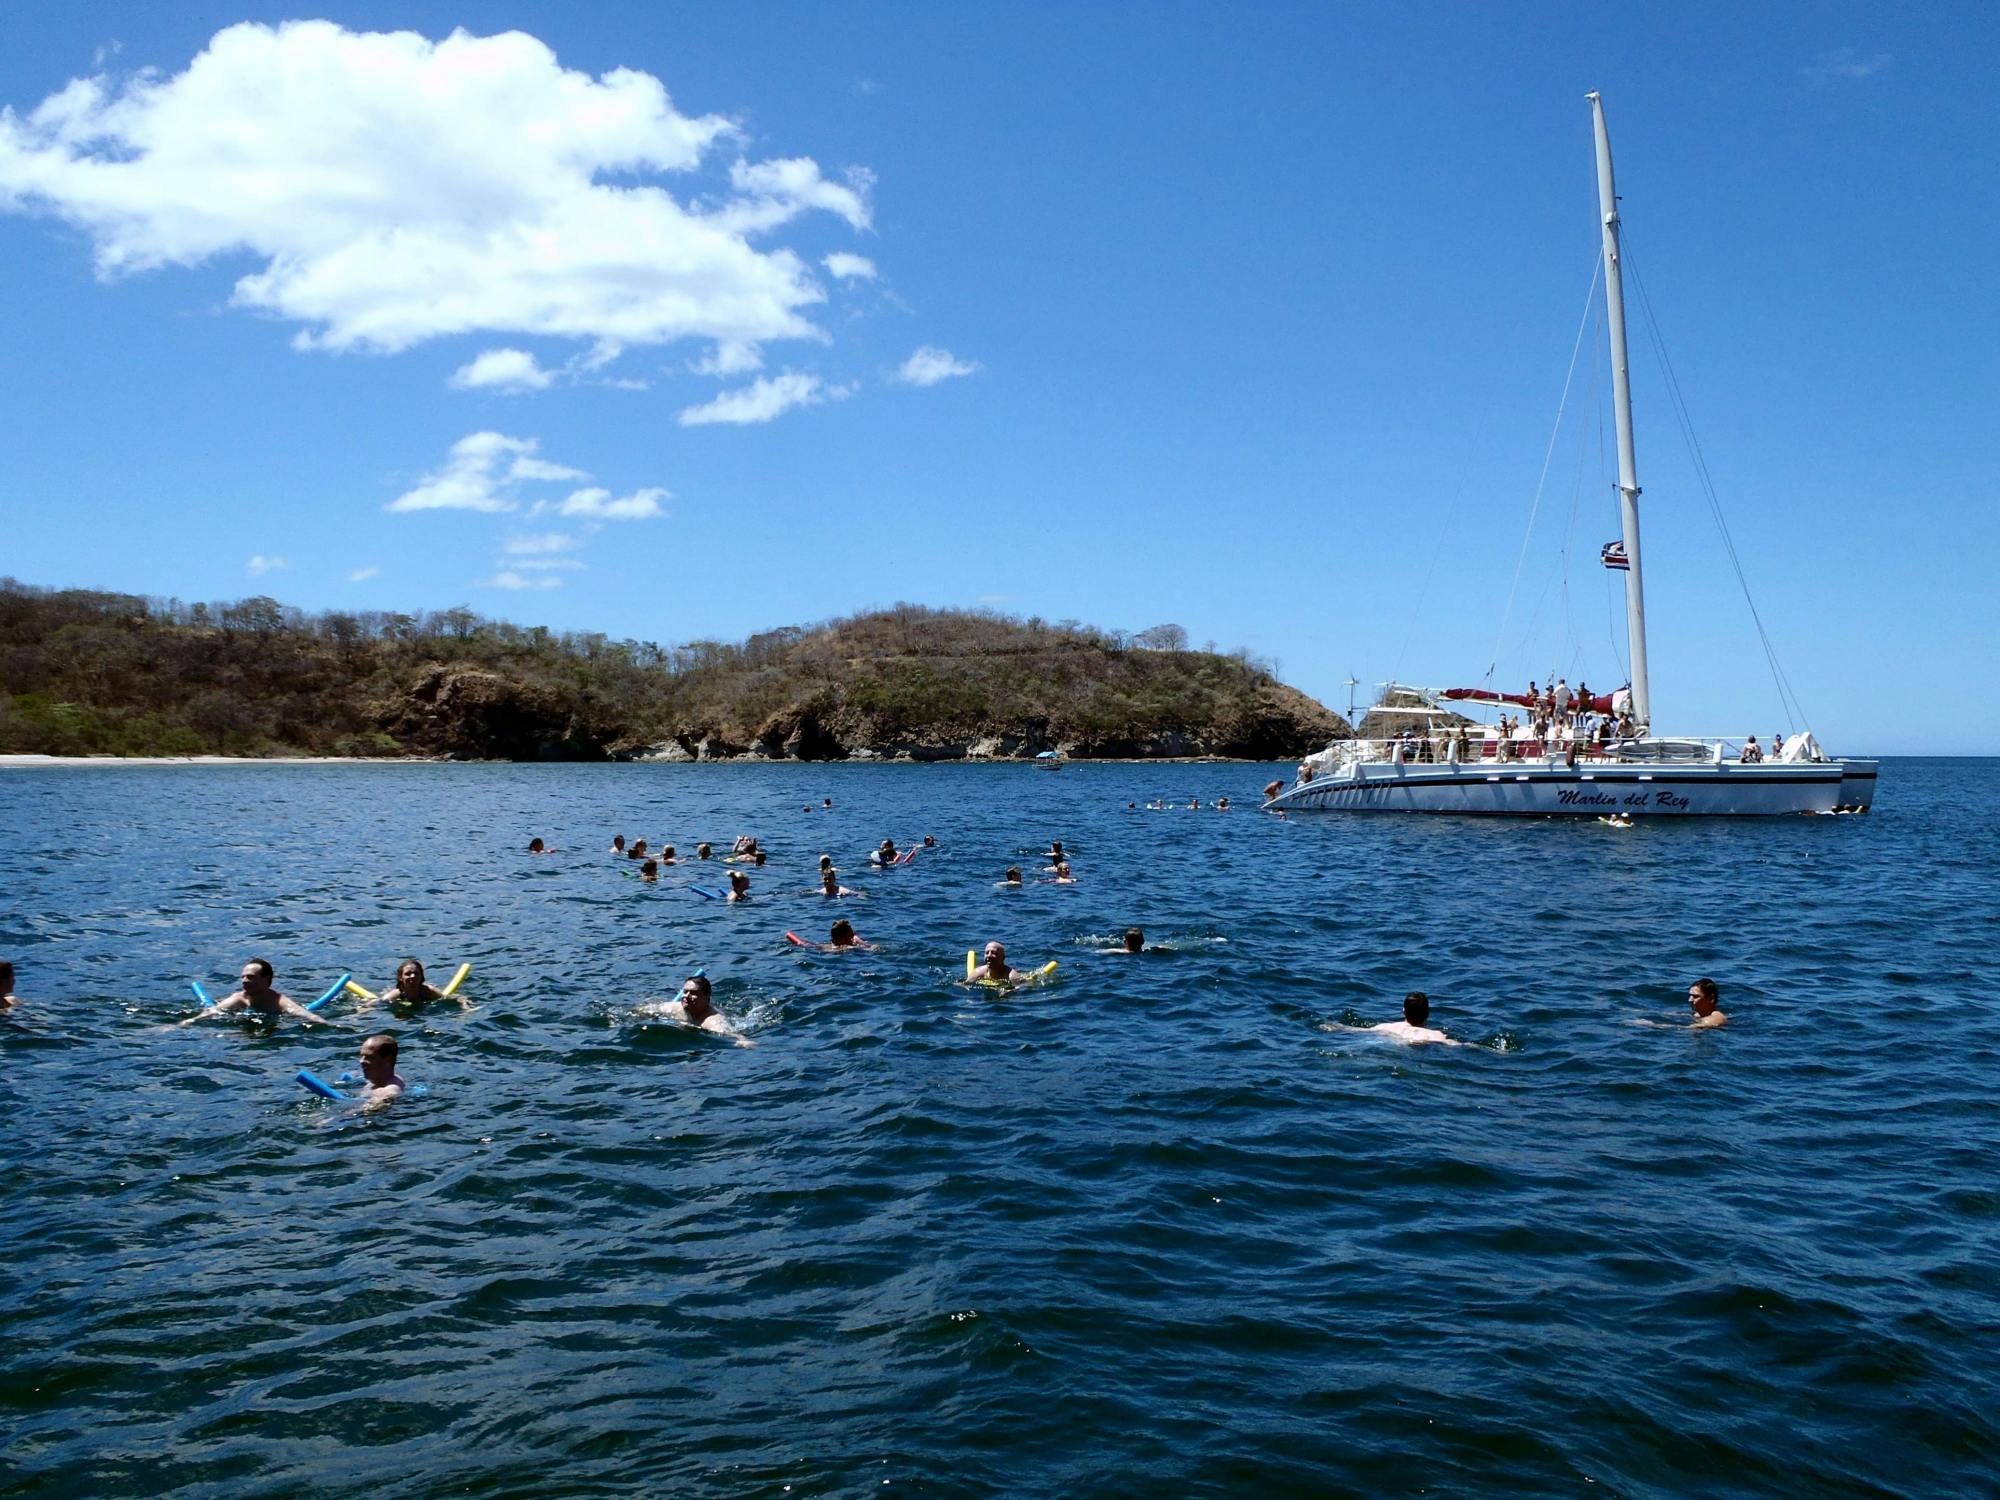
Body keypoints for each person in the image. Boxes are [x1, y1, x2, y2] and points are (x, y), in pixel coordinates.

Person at [180, 959, 329, 1025]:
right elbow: (209, 1013)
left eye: (250, 977)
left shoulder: (278, 1001)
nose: (244, 981)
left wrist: (332, 1026)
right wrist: (183, 1023)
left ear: (266, 979)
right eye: (243, 977)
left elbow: (305, 1015)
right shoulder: (238, 999)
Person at [652, 973, 740, 1039]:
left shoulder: (713, 1022)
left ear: (707, 997)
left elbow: (731, 1034)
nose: (686, 996)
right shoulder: (671, 1008)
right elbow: (645, 1010)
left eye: (694, 993)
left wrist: (742, 1040)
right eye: (685, 992)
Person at [1369, 991, 1460, 1046]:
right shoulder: (1435, 1035)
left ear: (1404, 1011)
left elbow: (1356, 1031)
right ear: (1427, 1013)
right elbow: (1459, 1045)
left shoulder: (1384, 1028)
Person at [356, 1032, 406, 1112]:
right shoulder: (380, 1080)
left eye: (369, 1057)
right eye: (361, 1056)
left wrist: (335, 1119)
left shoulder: (389, 1090)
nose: (361, 1061)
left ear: (387, 1060)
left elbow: (371, 1108)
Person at [372, 958, 447, 1005]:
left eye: (416, 973)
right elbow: (376, 1003)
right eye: (408, 974)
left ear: (421, 976)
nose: (413, 976)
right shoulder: (396, 995)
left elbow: (450, 998)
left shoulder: (429, 991)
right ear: (401, 977)